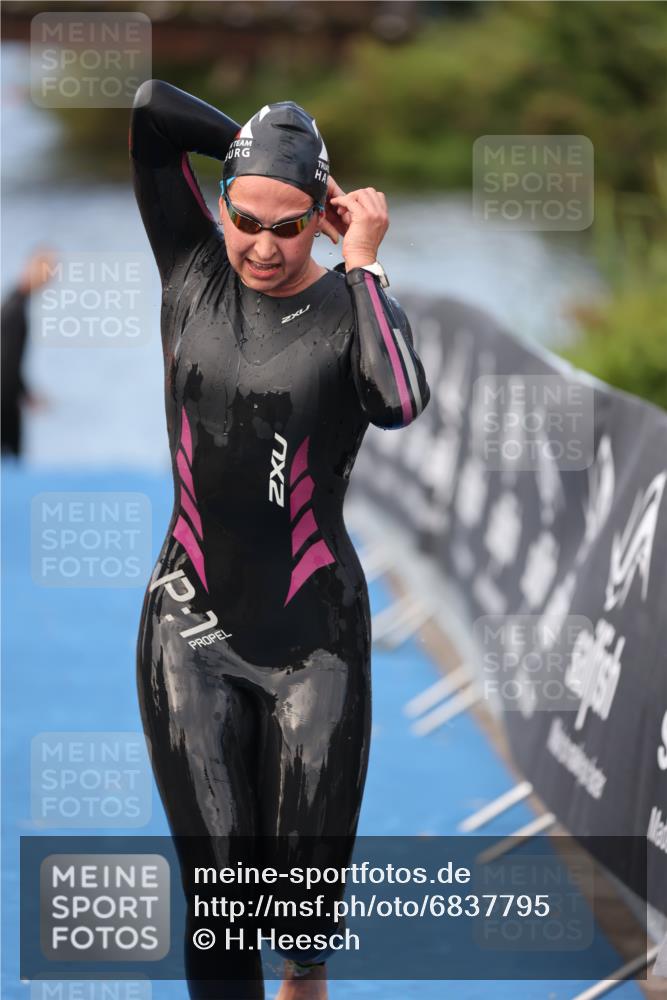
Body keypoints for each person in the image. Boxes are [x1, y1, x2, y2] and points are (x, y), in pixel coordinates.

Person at [131, 80, 430, 1000]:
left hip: (314, 645)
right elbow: (149, 111)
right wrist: (262, 147)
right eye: (246, 215)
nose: (262, 245)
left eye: (289, 224)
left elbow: (398, 401)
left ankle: (304, 971)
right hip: (189, 625)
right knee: (221, 899)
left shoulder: (354, 307)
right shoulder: (192, 268)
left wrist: (365, 259)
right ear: (221, 203)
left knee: (296, 912)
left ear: (324, 219)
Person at [1, 250, 55, 457]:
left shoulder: (15, 302)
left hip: (8, 395)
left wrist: (25, 392)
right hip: (5, 402)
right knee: (12, 465)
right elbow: (6, 360)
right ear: (29, 268)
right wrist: (21, 394)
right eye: (45, 270)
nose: (48, 277)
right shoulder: (14, 309)